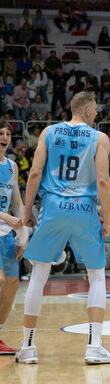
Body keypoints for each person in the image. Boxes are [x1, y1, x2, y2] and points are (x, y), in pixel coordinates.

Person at [19, 92, 110, 365]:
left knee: (39, 274)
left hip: (52, 207)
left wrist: (27, 212)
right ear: (88, 111)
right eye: (96, 109)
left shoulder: (49, 132)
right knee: (97, 275)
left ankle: (27, 348)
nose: (97, 114)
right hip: (84, 209)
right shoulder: (99, 138)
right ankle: (94, 346)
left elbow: (36, 174)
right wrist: (107, 220)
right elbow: (102, 181)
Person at [0, 121, 26, 355]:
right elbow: (10, 213)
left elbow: (17, 202)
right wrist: (8, 218)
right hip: (3, 223)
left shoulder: (12, 166)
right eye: (1, 133)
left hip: (5, 233)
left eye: (8, 134)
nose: (5, 137)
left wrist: (23, 235)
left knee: (12, 282)